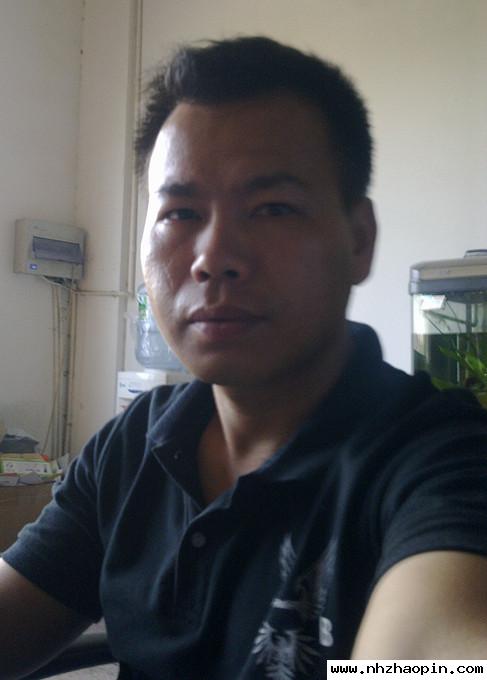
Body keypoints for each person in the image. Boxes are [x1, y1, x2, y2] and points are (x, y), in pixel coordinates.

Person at [2, 36, 487, 680]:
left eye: (272, 208)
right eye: (180, 213)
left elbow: (443, 657)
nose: (213, 257)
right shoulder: (134, 446)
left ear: (359, 240)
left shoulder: (441, 463)